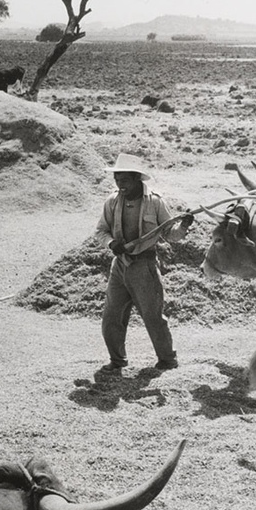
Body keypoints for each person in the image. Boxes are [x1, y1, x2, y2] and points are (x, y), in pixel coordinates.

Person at [94, 153, 194, 372]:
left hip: (144, 266)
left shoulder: (156, 202)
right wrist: (111, 244)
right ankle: (117, 361)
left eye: (125, 180)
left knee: (153, 317)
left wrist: (184, 226)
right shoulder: (112, 201)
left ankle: (167, 360)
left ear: (137, 178)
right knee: (111, 317)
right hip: (119, 266)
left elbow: (170, 234)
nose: (120, 185)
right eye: (117, 180)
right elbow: (101, 231)